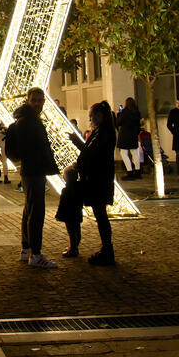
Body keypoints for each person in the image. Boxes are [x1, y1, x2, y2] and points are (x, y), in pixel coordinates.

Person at [9, 87, 60, 269]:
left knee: (29, 209)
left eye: (40, 100)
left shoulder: (28, 120)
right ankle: (35, 254)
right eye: (35, 100)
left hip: (32, 169)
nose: (38, 103)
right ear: (28, 100)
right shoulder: (27, 122)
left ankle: (26, 249)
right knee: (36, 212)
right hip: (34, 170)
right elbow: (27, 148)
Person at [76, 101, 117, 265]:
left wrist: (76, 142)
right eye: (90, 116)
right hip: (99, 178)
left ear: (101, 116)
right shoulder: (102, 131)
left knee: (101, 215)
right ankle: (106, 249)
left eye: (93, 115)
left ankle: (107, 250)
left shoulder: (104, 133)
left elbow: (91, 152)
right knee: (100, 215)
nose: (90, 119)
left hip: (99, 179)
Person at [55, 165, 83, 258]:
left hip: (68, 215)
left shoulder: (66, 190)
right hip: (77, 213)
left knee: (71, 232)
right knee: (77, 231)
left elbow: (62, 204)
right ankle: (75, 247)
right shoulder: (80, 188)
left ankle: (72, 249)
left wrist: (59, 215)